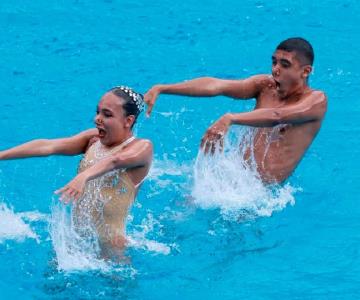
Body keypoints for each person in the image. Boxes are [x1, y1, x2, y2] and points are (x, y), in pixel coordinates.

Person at [144, 37, 327, 183]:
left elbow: (277, 116)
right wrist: (163, 88)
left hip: (262, 196)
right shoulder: (265, 85)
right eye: (274, 62)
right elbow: (217, 85)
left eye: (284, 65)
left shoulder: (316, 101)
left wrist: (230, 118)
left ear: (305, 71)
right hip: (232, 177)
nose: (275, 69)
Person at [0, 86, 153, 257]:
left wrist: (84, 176)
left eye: (107, 115)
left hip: (110, 252)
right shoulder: (93, 139)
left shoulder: (142, 147)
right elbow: (48, 146)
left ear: (128, 121)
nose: (97, 119)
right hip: (74, 245)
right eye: (98, 112)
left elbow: (114, 161)